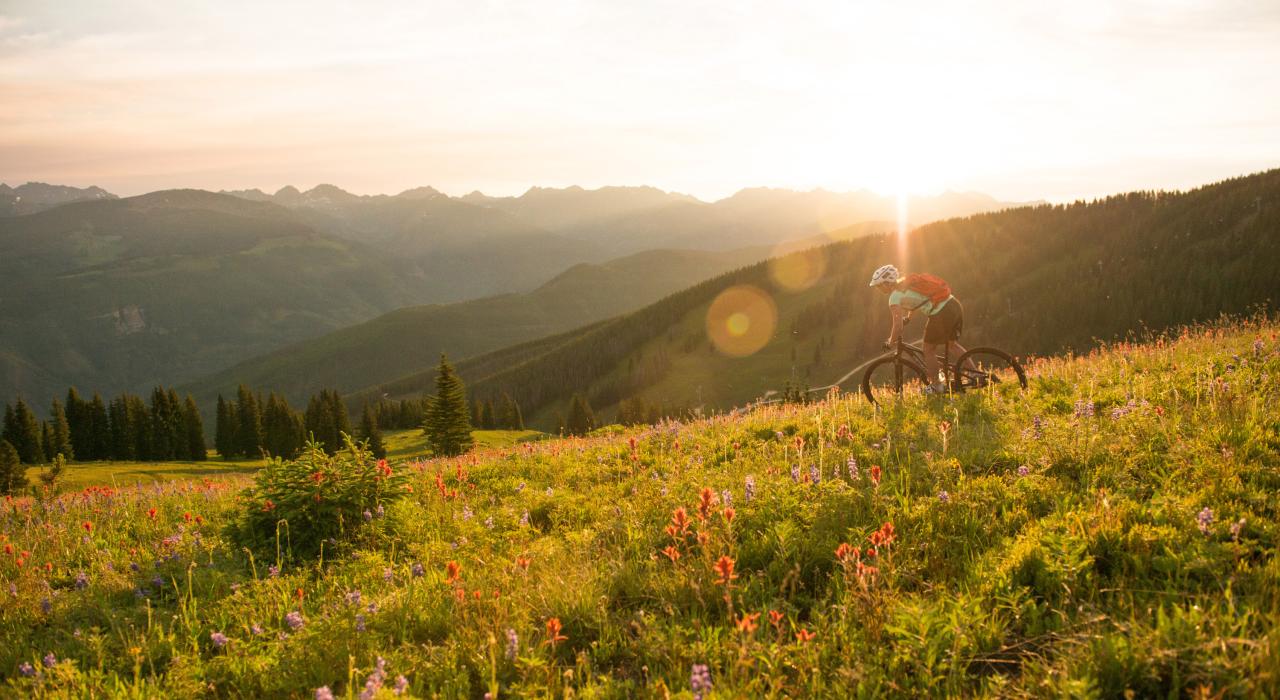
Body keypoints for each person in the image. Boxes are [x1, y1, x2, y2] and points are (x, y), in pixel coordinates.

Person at [868, 264, 973, 395]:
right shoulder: (908, 283)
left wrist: (890, 341)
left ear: (887, 283)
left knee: (928, 349)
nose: (878, 289)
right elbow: (917, 302)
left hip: (941, 312)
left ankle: (936, 386)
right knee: (952, 345)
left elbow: (898, 326)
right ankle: (977, 375)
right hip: (953, 304)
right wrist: (909, 318)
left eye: (879, 285)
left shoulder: (894, 297)